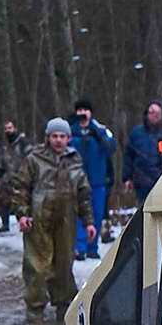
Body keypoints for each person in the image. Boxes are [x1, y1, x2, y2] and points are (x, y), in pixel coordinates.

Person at [15, 117, 93, 321]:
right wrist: (23, 214)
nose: (58, 140)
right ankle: (35, 307)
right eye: (54, 136)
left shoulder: (75, 161)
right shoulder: (35, 159)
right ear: (48, 137)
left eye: (62, 136)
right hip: (39, 219)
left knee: (64, 264)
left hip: (66, 219)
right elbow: (21, 188)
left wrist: (89, 222)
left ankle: (64, 304)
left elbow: (84, 193)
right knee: (37, 265)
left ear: (68, 138)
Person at [67, 99, 115, 257]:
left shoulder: (101, 130)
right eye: (79, 110)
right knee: (80, 213)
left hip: (98, 181)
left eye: (85, 110)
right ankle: (80, 247)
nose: (82, 113)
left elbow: (111, 148)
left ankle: (92, 248)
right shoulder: (70, 131)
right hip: (76, 180)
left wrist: (98, 135)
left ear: (90, 112)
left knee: (97, 214)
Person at [123, 100, 162, 208]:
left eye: (157, 113)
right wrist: (127, 177)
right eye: (151, 112)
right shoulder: (136, 133)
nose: (154, 116)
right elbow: (128, 157)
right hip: (142, 182)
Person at [0, 119, 32, 231]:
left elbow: (31, 157)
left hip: (23, 177)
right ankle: (5, 224)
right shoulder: (4, 146)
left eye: (10, 128)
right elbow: (1, 162)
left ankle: (26, 223)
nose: (8, 130)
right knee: (3, 200)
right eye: (6, 128)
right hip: (8, 177)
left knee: (23, 201)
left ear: (15, 129)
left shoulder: (23, 143)